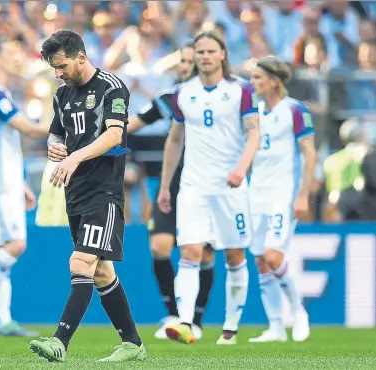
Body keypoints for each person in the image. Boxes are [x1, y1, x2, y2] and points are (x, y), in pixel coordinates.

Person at [29, 30, 146, 363]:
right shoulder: (62, 94)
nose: (59, 73)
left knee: (80, 262)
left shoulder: (111, 86)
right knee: (101, 272)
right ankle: (133, 343)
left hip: (104, 191)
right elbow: (57, 130)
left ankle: (59, 341)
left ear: (80, 55)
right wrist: (55, 145)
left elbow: (114, 135)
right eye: (54, 68)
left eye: (62, 65)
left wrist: (74, 157)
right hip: (75, 191)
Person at [158, 30, 260, 345]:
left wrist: (241, 168)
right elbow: (175, 139)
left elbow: (253, 133)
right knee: (189, 250)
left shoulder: (240, 90)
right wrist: (165, 185)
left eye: (210, 51)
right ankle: (185, 322)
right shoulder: (182, 93)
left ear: (222, 55)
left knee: (233, 255)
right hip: (193, 185)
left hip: (230, 185)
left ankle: (230, 327)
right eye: (199, 51)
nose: (204, 56)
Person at [127, 43, 215, 340]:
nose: (186, 66)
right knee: (159, 246)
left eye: (192, 61)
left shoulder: (220, 98)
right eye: (184, 61)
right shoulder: (170, 99)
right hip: (173, 182)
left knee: (203, 255)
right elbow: (130, 125)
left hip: (207, 183)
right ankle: (174, 314)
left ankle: (197, 321)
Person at [0, 37, 50, 337]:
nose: (18, 57)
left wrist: (23, 182)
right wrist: (63, 128)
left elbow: (9, 143)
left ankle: (2, 318)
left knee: (0, 249)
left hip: (7, 179)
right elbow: (25, 128)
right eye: (12, 52)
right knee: (16, 244)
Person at [247, 56, 315, 343]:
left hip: (282, 193)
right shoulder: (254, 113)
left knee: (275, 257)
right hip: (255, 193)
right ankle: (275, 326)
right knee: (261, 260)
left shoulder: (295, 110)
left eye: (258, 78)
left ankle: (298, 312)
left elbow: (309, 153)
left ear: (274, 81)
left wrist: (303, 194)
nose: (253, 83)